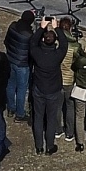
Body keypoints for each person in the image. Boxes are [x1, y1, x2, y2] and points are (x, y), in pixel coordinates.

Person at [27, 19, 69, 155]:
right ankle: (49, 146)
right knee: (51, 118)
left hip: (39, 88)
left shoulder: (37, 53)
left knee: (38, 118)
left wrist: (41, 28)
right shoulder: (57, 55)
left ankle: (39, 146)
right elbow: (64, 44)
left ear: (44, 40)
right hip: (53, 89)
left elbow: (32, 42)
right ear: (54, 41)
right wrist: (57, 28)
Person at [3, 10, 35, 123]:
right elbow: (32, 52)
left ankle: (11, 108)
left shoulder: (12, 26)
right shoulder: (29, 35)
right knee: (21, 89)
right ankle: (20, 114)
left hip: (10, 59)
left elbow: (6, 41)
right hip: (23, 64)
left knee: (10, 84)